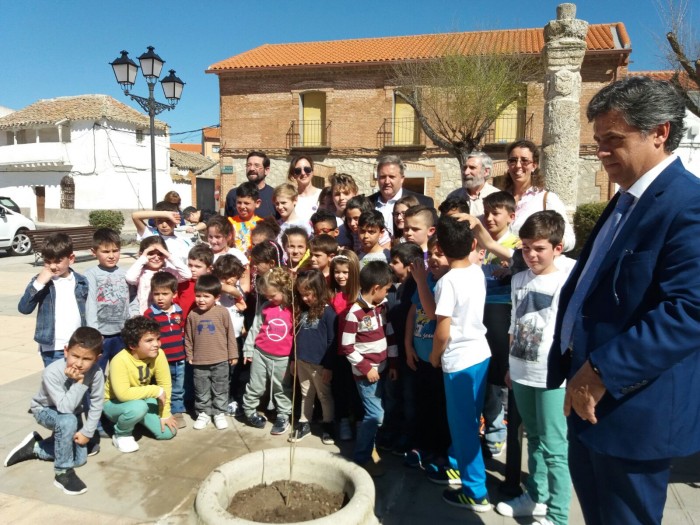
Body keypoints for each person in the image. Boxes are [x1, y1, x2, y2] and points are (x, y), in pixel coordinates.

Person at [549, 76, 700, 525]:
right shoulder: (625, 201)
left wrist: (599, 372)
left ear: (660, 132)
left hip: (632, 408)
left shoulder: (686, 204)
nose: (601, 152)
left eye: (613, 140)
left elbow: (689, 311)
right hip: (589, 400)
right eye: (598, 140)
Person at [496, 211, 573, 525]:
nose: (530, 254)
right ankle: (536, 496)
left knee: (555, 445)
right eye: (525, 247)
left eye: (538, 248)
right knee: (534, 438)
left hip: (552, 374)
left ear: (557, 248)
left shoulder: (567, 279)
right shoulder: (518, 279)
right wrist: (510, 366)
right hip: (521, 369)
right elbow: (515, 322)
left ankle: (558, 515)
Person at [430, 215, 491, 512]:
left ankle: (475, 491)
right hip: (481, 354)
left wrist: (434, 355)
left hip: (459, 362)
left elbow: (443, 330)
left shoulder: (447, 282)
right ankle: (456, 464)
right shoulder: (477, 271)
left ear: (439, 246)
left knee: (464, 426)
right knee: (470, 419)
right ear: (474, 245)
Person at [4, 327, 104, 496]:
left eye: (87, 359)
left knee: (80, 459)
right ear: (66, 351)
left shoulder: (96, 373)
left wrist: (87, 431)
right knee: (68, 421)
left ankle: (36, 447)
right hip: (45, 410)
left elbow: (96, 402)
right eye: (75, 356)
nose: (79, 363)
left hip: (71, 412)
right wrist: (78, 383)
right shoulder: (52, 372)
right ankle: (62, 472)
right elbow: (64, 408)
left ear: (97, 359)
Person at [340, 261, 398, 477]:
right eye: (385, 290)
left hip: (382, 371)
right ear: (375, 288)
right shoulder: (354, 314)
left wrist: (392, 364)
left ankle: (372, 447)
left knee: (377, 412)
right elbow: (347, 347)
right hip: (366, 376)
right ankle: (361, 458)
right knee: (376, 414)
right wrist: (366, 368)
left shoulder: (381, 307)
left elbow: (389, 334)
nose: (386, 294)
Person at [404, 237, 452, 470]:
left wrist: (421, 281)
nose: (433, 259)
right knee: (421, 404)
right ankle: (420, 446)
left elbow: (433, 314)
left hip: (439, 360)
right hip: (420, 357)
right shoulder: (428, 279)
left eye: (440, 254)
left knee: (440, 408)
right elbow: (414, 311)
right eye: (431, 254)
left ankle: (440, 451)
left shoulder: (445, 283)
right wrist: (407, 344)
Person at [481, 191, 519, 459]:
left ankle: (499, 431)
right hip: (480, 315)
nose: (490, 217)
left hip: (504, 318)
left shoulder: (517, 244)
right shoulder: (480, 244)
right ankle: (490, 426)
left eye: (496, 213)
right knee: (487, 376)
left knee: (500, 377)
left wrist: (511, 269)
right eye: (487, 212)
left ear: (511, 216)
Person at [103, 316, 178, 453]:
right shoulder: (119, 360)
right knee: (138, 407)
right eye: (149, 340)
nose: (156, 344)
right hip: (115, 404)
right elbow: (123, 394)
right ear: (132, 345)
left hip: (142, 398)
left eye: (157, 339)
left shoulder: (159, 354)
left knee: (167, 432)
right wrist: (155, 390)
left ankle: (136, 421)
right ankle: (121, 434)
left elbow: (165, 385)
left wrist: (165, 413)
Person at [18, 233, 89, 367]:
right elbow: (24, 308)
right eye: (47, 262)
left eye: (58, 261)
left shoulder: (81, 281)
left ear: (71, 258)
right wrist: (39, 283)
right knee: (56, 385)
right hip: (53, 347)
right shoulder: (40, 282)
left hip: (78, 345)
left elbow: (89, 311)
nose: (52, 266)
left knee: (77, 384)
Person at [242, 268, 295, 435]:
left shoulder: (294, 309)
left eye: (273, 296)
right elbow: (256, 327)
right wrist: (249, 349)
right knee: (255, 386)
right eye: (267, 296)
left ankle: (283, 415)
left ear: (284, 290)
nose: (270, 299)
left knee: (282, 388)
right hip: (261, 353)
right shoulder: (266, 307)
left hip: (283, 359)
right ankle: (249, 411)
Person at [289, 270, 337, 445]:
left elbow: (332, 341)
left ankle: (328, 424)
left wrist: (329, 366)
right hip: (302, 361)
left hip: (320, 364)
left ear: (318, 290)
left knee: (324, 395)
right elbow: (296, 336)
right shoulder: (302, 311)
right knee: (305, 394)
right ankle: (304, 422)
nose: (305, 299)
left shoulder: (328, 312)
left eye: (308, 294)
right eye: (302, 295)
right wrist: (293, 360)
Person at [185, 275, 238, 430]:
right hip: (199, 362)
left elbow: (230, 334)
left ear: (217, 297)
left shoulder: (222, 313)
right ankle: (204, 413)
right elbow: (188, 337)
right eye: (198, 296)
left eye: (206, 296)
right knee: (201, 389)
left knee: (220, 387)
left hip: (221, 359)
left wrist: (233, 354)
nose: (201, 300)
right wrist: (189, 354)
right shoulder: (193, 315)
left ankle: (219, 413)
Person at [502, 140, 575, 252]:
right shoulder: (500, 198)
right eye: (513, 160)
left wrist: (536, 243)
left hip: (532, 266)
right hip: (498, 266)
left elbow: (569, 240)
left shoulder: (547, 200)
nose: (518, 165)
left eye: (524, 161)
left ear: (534, 166)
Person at [143, 272, 188, 429]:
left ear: (174, 294)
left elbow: (181, 330)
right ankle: (162, 411)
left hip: (179, 358)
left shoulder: (178, 311)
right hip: (159, 360)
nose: (160, 298)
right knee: (161, 386)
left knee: (177, 388)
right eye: (156, 294)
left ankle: (177, 412)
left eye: (165, 294)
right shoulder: (149, 314)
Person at [84, 228, 131, 367]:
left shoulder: (126, 273)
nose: (111, 256)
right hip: (101, 335)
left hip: (122, 333)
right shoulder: (91, 274)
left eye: (115, 250)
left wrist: (132, 319)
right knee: (96, 372)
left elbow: (133, 298)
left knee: (121, 372)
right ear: (94, 252)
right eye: (105, 252)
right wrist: (94, 332)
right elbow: (90, 303)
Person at [329, 250, 362, 441]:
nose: (340, 276)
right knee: (340, 389)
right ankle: (342, 421)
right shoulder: (333, 294)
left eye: (345, 272)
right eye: (337, 272)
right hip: (338, 351)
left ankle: (358, 421)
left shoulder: (359, 295)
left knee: (357, 391)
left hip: (357, 351)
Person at [368, 154, 434, 236]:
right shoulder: (367, 203)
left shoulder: (423, 202)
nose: (387, 181)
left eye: (391, 177)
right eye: (382, 177)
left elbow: (433, 236)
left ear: (402, 179)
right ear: (377, 178)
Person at [125, 236, 191, 315]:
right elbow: (130, 278)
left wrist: (169, 256)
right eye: (151, 254)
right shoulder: (140, 272)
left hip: (165, 316)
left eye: (160, 254)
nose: (156, 258)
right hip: (145, 315)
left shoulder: (168, 272)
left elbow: (187, 275)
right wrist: (143, 257)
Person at [445, 152, 500, 219]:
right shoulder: (453, 196)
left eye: (472, 168)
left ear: (486, 172)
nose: (466, 172)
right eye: (465, 168)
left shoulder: (497, 197)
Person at [225, 151, 276, 219]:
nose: (251, 169)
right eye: (248, 165)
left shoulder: (274, 195)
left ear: (266, 170)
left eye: (256, 165)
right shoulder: (233, 194)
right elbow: (227, 225)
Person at [176, 244, 214, 320]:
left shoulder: (211, 284)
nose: (192, 269)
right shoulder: (182, 282)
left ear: (209, 269)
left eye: (197, 266)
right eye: (190, 265)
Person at [228, 180, 263, 257]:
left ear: (257, 203)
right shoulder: (229, 222)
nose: (242, 206)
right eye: (239, 202)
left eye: (246, 203)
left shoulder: (262, 224)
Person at [287, 155, 322, 224]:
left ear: (312, 172)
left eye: (307, 169)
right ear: (293, 175)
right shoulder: (290, 198)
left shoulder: (322, 195)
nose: (303, 173)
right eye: (298, 171)